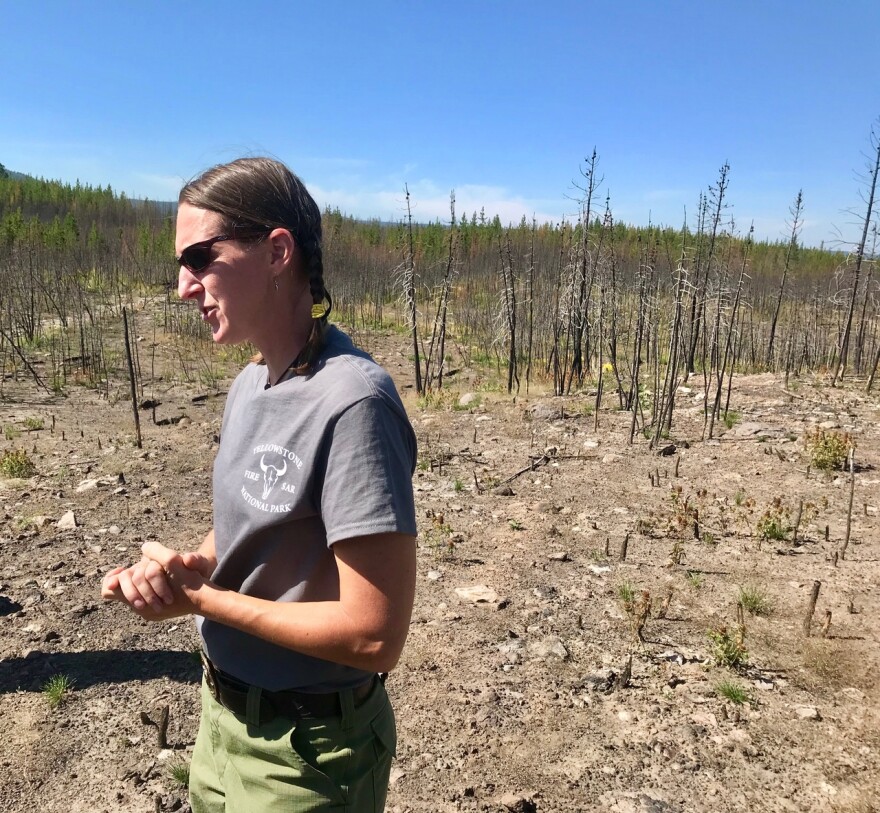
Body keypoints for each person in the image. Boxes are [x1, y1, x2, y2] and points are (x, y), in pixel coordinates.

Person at [102, 157, 418, 813]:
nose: (185, 285)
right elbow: (256, 521)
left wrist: (204, 601)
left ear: (277, 251)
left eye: (200, 258)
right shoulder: (252, 381)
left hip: (307, 755)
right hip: (221, 721)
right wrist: (198, 564)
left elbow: (373, 634)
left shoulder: (354, 402)